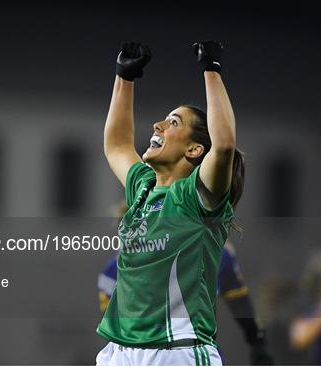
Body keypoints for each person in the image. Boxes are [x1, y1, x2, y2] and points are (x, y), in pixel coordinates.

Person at [96, 40, 243, 365]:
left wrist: (212, 71)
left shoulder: (199, 198)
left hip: (178, 352)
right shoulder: (143, 189)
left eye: (173, 123)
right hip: (120, 352)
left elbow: (223, 146)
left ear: (193, 150)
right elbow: (117, 145)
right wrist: (124, 77)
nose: (158, 125)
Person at [98, 203, 274, 365]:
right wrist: (257, 340)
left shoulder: (216, 253)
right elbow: (239, 301)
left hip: (158, 350)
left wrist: (257, 340)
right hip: (174, 350)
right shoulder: (116, 268)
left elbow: (238, 300)